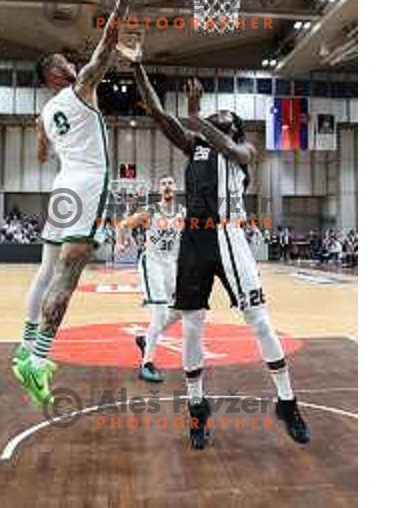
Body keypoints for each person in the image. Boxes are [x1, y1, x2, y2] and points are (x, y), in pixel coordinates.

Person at [119, 41, 310, 450]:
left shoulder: (243, 151)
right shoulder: (196, 145)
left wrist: (194, 116)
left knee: (258, 320)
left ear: (234, 124)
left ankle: (287, 402)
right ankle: (197, 408)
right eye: (211, 113)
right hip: (194, 238)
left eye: (223, 115)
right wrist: (137, 67)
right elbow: (156, 112)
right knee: (192, 327)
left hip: (229, 235)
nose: (215, 115)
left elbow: (227, 145)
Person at [11, 0, 148, 406]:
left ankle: (25, 347)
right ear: (55, 74)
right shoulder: (79, 88)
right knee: (67, 276)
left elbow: (42, 153)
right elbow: (109, 42)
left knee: (45, 271)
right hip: (85, 185)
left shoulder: (46, 113)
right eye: (63, 60)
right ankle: (37, 361)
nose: (71, 61)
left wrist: (42, 134)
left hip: (62, 187)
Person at [117, 175, 184, 383]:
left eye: (170, 183)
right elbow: (123, 224)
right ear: (159, 189)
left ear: (175, 188)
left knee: (182, 308)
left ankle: (147, 339)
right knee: (160, 313)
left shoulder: (183, 213)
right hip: (152, 264)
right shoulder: (151, 211)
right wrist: (122, 241)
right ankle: (146, 364)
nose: (166, 186)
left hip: (171, 266)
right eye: (163, 183)